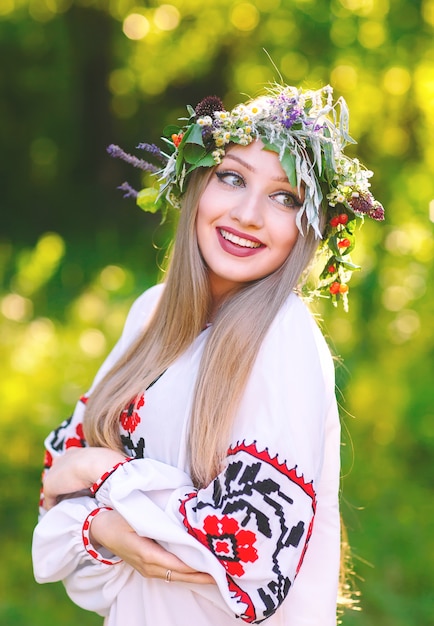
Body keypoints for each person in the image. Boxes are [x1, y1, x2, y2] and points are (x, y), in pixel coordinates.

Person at [32, 83, 384, 626]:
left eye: (285, 197)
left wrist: (104, 472)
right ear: (197, 183)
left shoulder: (282, 339)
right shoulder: (151, 315)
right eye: (232, 177)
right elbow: (56, 488)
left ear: (309, 228)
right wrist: (101, 526)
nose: (248, 214)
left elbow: (244, 550)